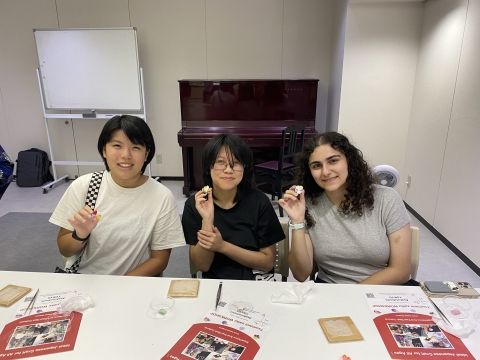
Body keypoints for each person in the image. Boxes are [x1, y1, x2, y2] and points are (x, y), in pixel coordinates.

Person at [49, 115, 185, 276]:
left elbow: (159, 260)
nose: (126, 155)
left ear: (147, 154)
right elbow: (64, 249)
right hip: (86, 282)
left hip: (134, 284)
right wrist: (79, 235)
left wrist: (118, 287)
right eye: (117, 145)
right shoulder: (85, 186)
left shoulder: (161, 196)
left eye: (135, 147)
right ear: (104, 150)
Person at [279, 132, 413, 285]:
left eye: (333, 161)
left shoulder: (386, 198)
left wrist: (351, 297)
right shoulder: (307, 204)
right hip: (331, 292)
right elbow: (301, 274)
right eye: (316, 166)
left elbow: (400, 271)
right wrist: (297, 222)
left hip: (382, 291)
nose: (325, 172)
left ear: (349, 160)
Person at [182, 134, 284, 280]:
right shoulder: (195, 204)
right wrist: (207, 221)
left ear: (245, 168)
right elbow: (201, 265)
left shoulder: (259, 202)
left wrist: (222, 246)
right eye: (220, 162)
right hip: (216, 284)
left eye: (235, 163)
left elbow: (267, 263)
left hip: (256, 282)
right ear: (208, 167)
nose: (228, 170)